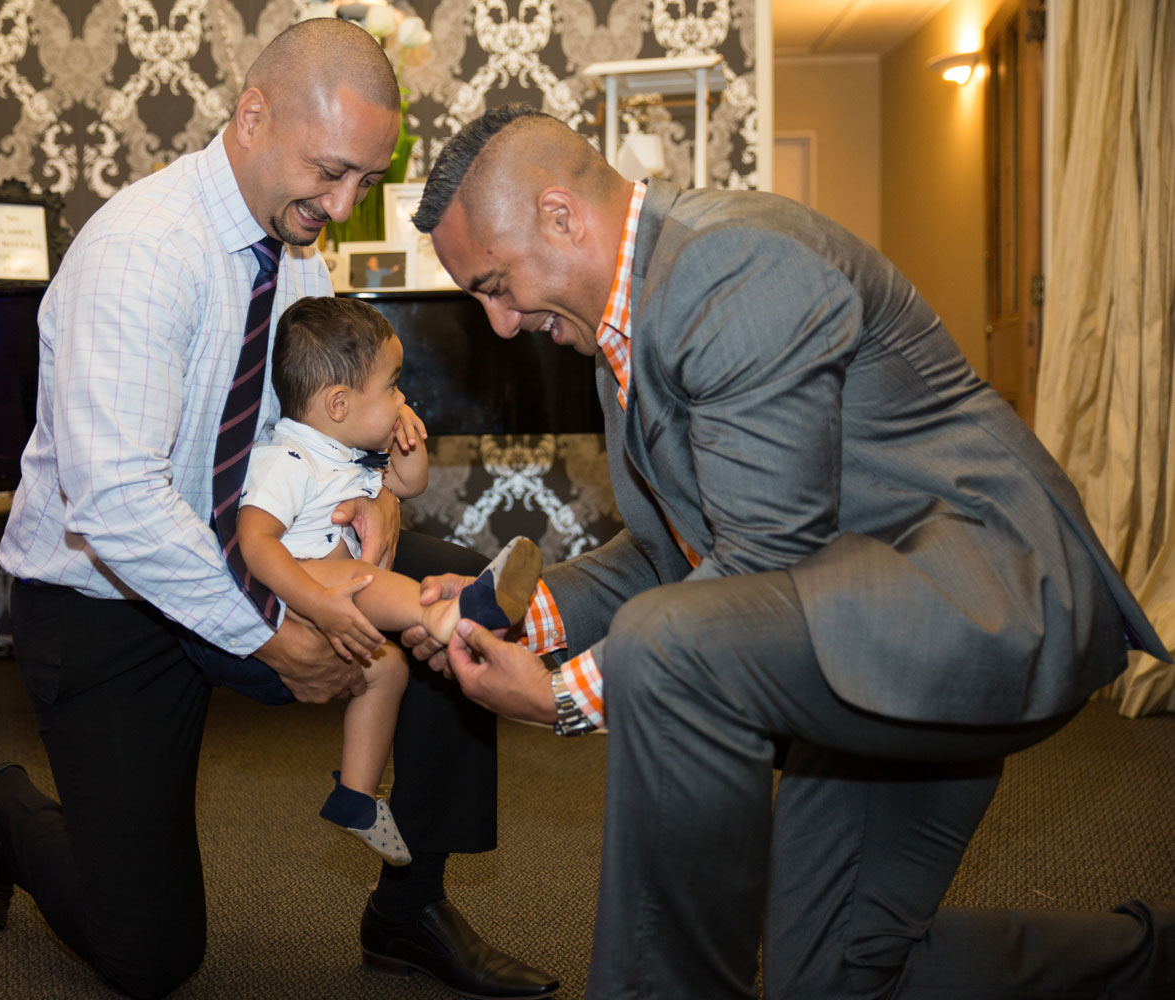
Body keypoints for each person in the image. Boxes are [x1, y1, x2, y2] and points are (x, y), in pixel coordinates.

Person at [406, 104, 1174, 999]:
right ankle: (1153, 961)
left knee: (668, 644)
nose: (498, 324)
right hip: (854, 638)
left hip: (983, 597)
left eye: (496, 285)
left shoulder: (729, 264)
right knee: (840, 977)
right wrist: (512, 614)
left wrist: (563, 700)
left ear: (561, 216)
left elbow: (765, 556)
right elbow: (670, 552)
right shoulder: (620, 331)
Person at [0, 25, 559, 1000]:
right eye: (330, 172)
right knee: (150, 957)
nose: (343, 206)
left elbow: (295, 425)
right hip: (103, 598)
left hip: (238, 547)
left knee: (446, 583)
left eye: (365, 179)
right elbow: (118, 503)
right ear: (253, 116)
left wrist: (363, 491)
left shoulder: (294, 250)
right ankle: (6, 812)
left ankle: (409, 910)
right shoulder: (142, 254)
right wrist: (270, 633)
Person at [223, 294, 542, 865]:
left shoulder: (346, 448)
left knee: (388, 671)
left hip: (337, 576)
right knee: (360, 575)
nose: (402, 399)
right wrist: (316, 600)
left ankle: (356, 795)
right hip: (301, 587)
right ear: (339, 402)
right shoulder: (289, 459)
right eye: (393, 387)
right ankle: (445, 612)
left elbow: (411, 485)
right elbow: (255, 541)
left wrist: (407, 442)